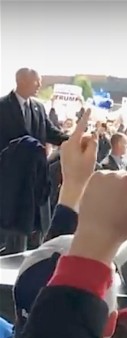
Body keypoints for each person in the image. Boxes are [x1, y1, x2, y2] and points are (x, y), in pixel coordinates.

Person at [0, 68, 69, 253]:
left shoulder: (38, 107)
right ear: (21, 81)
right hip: (9, 180)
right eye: (36, 81)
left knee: (34, 226)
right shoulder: (2, 106)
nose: (40, 85)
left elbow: (51, 133)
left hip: (34, 179)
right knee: (11, 227)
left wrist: (74, 140)